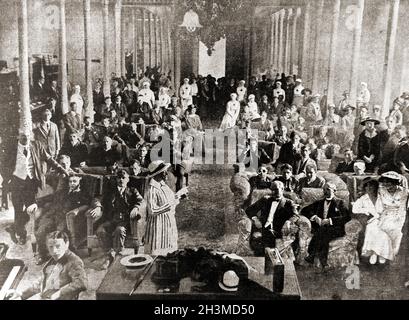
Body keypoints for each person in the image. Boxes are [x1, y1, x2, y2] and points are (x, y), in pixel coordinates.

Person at [6, 132, 69, 245]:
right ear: (18, 136)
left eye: (28, 136)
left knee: (31, 208)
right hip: (16, 181)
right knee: (18, 209)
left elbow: (49, 158)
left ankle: (15, 228)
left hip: (31, 182)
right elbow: (3, 163)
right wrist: (8, 178)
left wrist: (62, 169)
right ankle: (21, 234)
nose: (26, 138)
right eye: (23, 136)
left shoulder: (36, 145)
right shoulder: (12, 147)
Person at [5, 231, 87, 300]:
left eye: (58, 246)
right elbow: (43, 281)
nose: (54, 251)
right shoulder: (55, 259)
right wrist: (21, 293)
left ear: (67, 244)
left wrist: (58, 294)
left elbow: (81, 283)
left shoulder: (74, 261)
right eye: (51, 247)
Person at [31, 173, 90, 264]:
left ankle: (66, 255)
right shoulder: (63, 191)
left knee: (60, 234)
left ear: (80, 180)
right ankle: (42, 255)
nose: (72, 183)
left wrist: (77, 209)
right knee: (40, 231)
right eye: (70, 181)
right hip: (52, 215)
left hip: (66, 218)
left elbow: (87, 204)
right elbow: (50, 197)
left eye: (75, 181)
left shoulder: (82, 193)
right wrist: (36, 203)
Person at [91, 170, 144, 269]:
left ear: (128, 180)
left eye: (123, 178)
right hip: (112, 219)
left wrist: (136, 207)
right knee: (100, 230)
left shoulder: (132, 191)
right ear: (116, 179)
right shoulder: (110, 192)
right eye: (119, 177)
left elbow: (141, 200)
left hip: (125, 221)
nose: (121, 180)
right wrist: (98, 206)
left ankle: (118, 255)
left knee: (119, 230)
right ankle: (109, 254)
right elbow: (97, 199)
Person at [354, 172, 408, 264]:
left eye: (389, 183)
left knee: (396, 232)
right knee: (375, 228)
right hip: (384, 214)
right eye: (385, 183)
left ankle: (391, 255)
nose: (387, 186)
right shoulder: (381, 190)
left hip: (398, 215)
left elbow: (403, 208)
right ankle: (376, 253)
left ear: (396, 183)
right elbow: (369, 194)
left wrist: (400, 221)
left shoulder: (404, 192)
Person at [301, 183, 350, 271]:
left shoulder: (340, 202)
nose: (325, 191)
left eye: (328, 189)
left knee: (323, 231)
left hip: (335, 229)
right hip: (322, 230)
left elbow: (347, 217)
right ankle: (324, 264)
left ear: (334, 191)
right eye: (324, 189)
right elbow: (304, 210)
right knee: (324, 235)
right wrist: (315, 217)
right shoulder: (319, 202)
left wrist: (330, 220)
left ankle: (312, 254)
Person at [144, 161, 187, 256]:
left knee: (169, 252)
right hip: (157, 226)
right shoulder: (152, 189)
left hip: (168, 224)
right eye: (164, 171)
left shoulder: (163, 186)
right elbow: (152, 210)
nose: (166, 173)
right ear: (158, 173)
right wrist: (170, 204)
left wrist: (179, 196)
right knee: (156, 252)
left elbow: (171, 199)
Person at [245, 181, 299, 256]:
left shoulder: (288, 203)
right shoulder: (265, 199)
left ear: (282, 189)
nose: (273, 192)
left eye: (276, 189)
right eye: (272, 190)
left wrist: (288, 222)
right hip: (263, 228)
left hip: (278, 230)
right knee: (259, 247)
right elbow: (249, 210)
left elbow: (296, 215)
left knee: (273, 251)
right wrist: (255, 219)